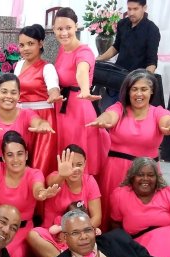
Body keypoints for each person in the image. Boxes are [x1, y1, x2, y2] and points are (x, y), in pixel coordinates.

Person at [86, 69, 170, 230]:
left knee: (143, 211)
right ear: (128, 91)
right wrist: (102, 120)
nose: (139, 94)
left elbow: (168, 121)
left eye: (143, 89)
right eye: (134, 89)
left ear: (151, 91)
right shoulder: (119, 108)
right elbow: (109, 116)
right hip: (116, 170)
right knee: (111, 211)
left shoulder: (158, 112)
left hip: (147, 172)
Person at [52, 7, 110, 177]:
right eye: (59, 28)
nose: (64, 33)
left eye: (68, 28)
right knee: (62, 155)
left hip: (77, 110)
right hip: (62, 108)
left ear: (76, 27)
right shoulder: (63, 48)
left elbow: (82, 71)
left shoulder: (84, 51)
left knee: (76, 156)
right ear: (54, 29)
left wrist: (85, 90)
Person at [28, 145, 102, 257]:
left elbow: (97, 218)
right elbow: (51, 183)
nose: (75, 169)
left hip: (79, 235)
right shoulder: (55, 177)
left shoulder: (89, 181)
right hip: (53, 236)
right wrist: (62, 174)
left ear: (85, 164)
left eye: (79, 164)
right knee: (33, 235)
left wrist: (75, 233)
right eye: (71, 165)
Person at [0, 73, 54, 173]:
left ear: (19, 95)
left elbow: (38, 122)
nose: (8, 96)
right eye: (4, 92)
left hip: (17, 169)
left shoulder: (26, 114)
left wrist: (43, 125)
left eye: (13, 92)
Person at [14, 24, 61, 178]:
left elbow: (53, 87)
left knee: (40, 163)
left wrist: (54, 95)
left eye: (30, 43)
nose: (25, 49)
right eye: (22, 45)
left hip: (43, 118)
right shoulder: (18, 65)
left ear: (40, 44)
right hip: (22, 117)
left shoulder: (48, 68)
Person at [96, 0, 161, 74]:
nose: (131, 13)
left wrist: (144, 79)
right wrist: (98, 59)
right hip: (118, 72)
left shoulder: (152, 29)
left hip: (136, 76)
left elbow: (152, 62)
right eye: (129, 9)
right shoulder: (122, 23)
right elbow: (116, 47)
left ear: (144, 8)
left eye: (135, 9)